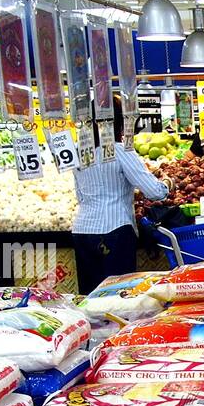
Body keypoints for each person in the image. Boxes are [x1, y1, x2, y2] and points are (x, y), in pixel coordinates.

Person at [72, 94, 169, 293]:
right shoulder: (120, 150)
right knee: (117, 297)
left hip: (82, 230)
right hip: (114, 230)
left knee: (90, 297)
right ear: (118, 121)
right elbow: (154, 192)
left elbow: (79, 196)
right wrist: (168, 183)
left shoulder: (79, 152)